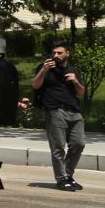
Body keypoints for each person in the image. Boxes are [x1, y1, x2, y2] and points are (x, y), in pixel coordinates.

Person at [32, 39, 85, 191]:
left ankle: (67, 175)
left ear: (67, 53)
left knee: (78, 144)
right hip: (55, 111)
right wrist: (43, 70)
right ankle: (62, 179)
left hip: (74, 112)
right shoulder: (45, 68)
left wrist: (75, 81)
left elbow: (81, 93)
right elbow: (35, 85)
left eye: (60, 53)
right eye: (54, 52)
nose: (56, 55)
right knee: (58, 147)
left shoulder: (74, 70)